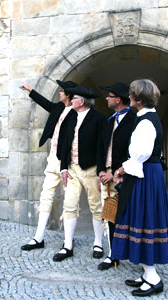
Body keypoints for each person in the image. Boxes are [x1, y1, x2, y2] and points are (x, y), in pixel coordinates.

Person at [111, 79, 168, 297]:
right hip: (145, 173)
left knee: (143, 219)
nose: (128, 98)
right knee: (141, 219)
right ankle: (147, 274)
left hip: (145, 175)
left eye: (131, 96)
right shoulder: (146, 117)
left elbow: (141, 155)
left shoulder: (146, 122)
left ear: (138, 100)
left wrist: (120, 171)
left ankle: (153, 278)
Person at [19, 80, 78, 251]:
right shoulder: (59, 107)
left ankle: (68, 241)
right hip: (53, 159)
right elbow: (45, 103)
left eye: (62, 91)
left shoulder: (77, 113)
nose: (59, 93)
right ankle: (38, 237)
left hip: (68, 163)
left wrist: (67, 164)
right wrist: (31, 90)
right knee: (46, 196)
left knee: (70, 201)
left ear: (68, 95)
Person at [52, 85, 106, 262]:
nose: (71, 100)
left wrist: (101, 172)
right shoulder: (70, 117)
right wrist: (64, 168)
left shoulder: (98, 119)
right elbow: (64, 143)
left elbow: (102, 147)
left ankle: (98, 242)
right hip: (72, 169)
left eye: (74, 98)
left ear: (81, 101)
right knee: (69, 204)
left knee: (96, 206)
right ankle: (67, 245)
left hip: (91, 169)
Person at [97, 82, 136, 270]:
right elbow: (101, 148)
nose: (106, 98)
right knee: (110, 215)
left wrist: (119, 172)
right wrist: (101, 172)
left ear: (118, 99)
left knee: (130, 215)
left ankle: (137, 254)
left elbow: (134, 151)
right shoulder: (109, 119)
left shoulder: (135, 119)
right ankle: (113, 254)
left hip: (126, 176)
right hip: (108, 175)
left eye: (109, 95)